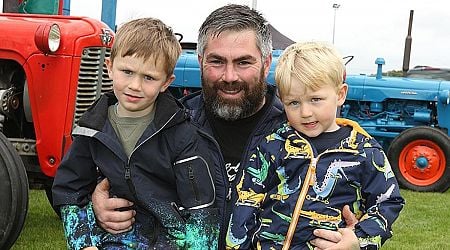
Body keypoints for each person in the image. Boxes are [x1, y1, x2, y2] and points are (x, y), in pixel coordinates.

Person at [91, 4, 361, 249]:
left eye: (243, 62)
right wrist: (98, 205)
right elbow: (100, 177)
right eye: (217, 61)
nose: (229, 76)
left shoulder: (306, 129)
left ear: (266, 64)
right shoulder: (165, 126)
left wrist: (357, 238)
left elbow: (364, 205)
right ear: (200, 62)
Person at [52, 17, 222, 249]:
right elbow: (70, 190)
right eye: (127, 72)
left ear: (166, 82)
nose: (135, 85)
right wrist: (83, 243)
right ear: (110, 67)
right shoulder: (91, 130)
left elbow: (203, 210)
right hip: (114, 239)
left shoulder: (182, 135)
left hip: (173, 241)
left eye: (149, 77)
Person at [226, 41, 405, 249]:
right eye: (294, 102)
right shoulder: (273, 145)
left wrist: (359, 239)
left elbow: (388, 202)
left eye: (316, 99)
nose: (305, 112)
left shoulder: (364, 151)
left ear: (340, 95)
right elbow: (246, 200)